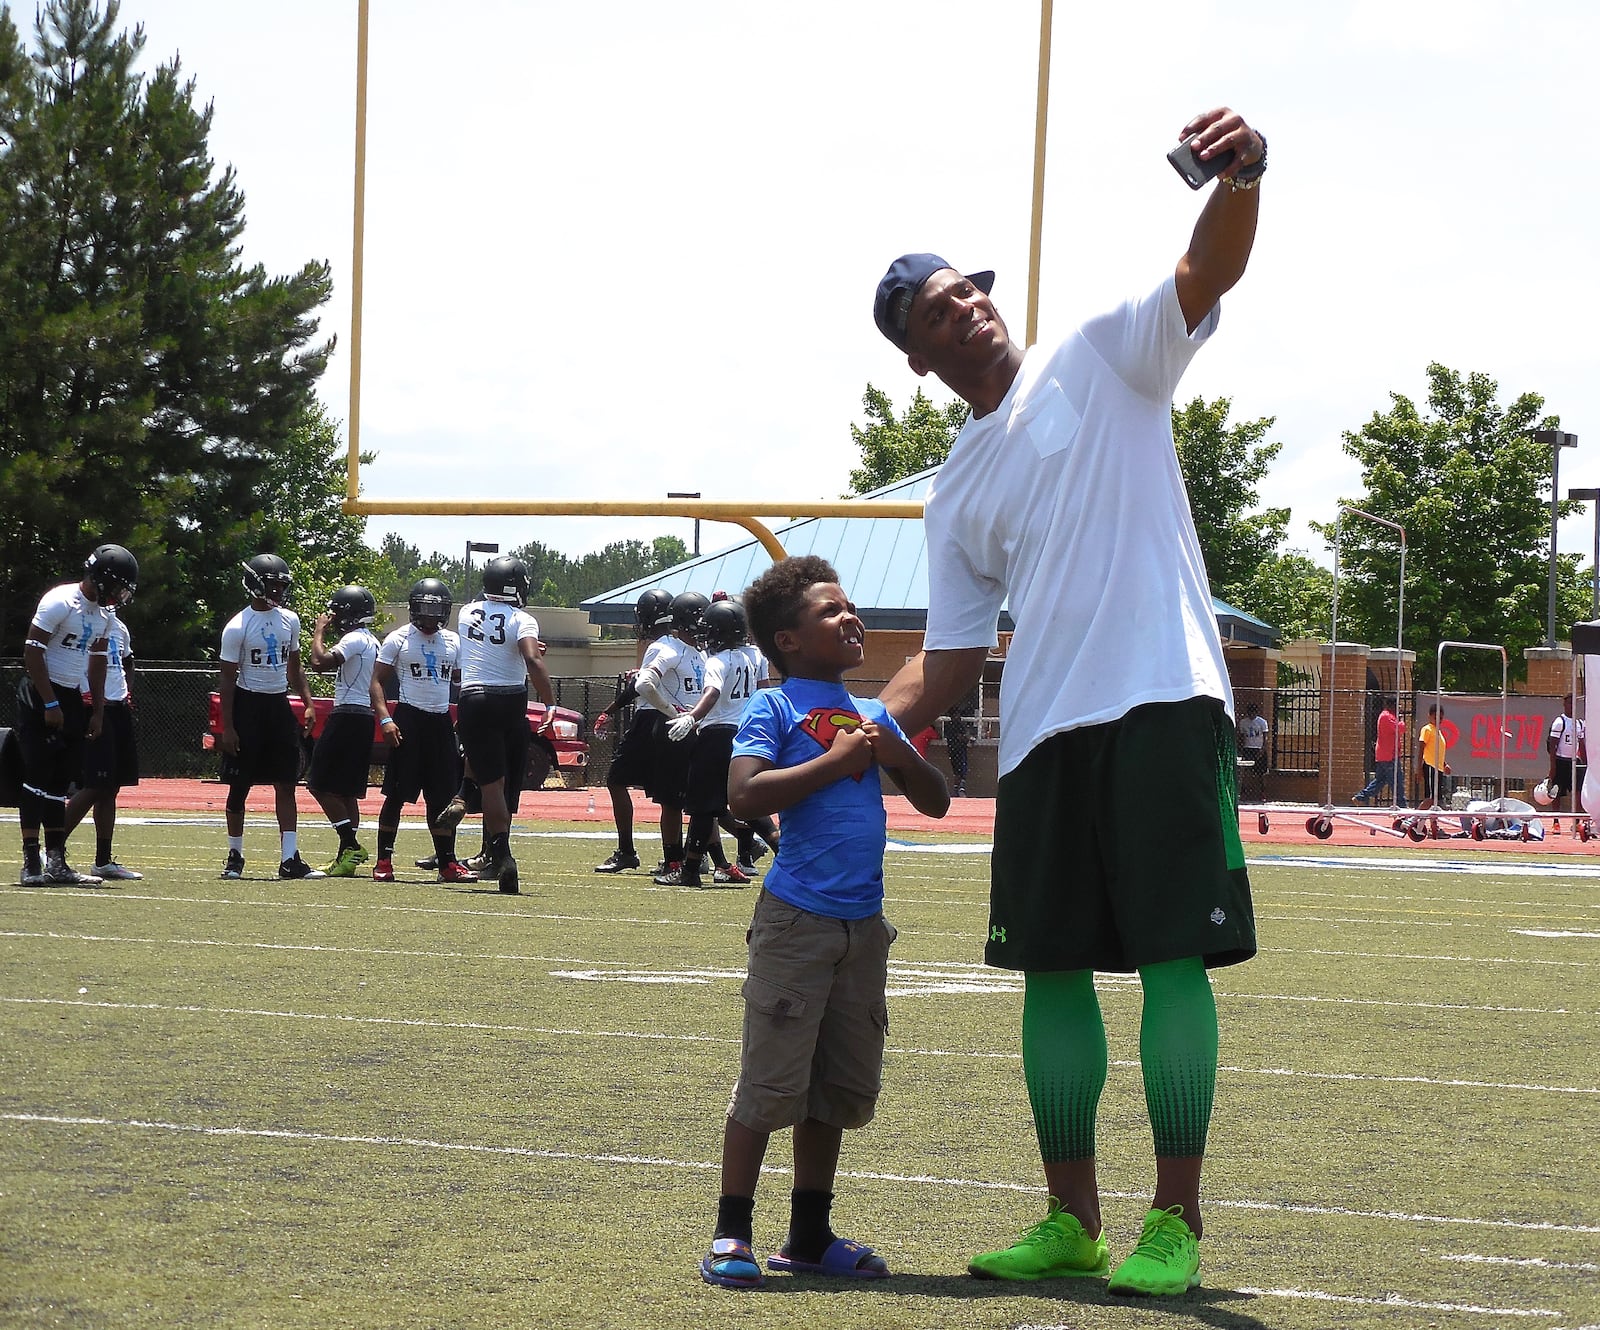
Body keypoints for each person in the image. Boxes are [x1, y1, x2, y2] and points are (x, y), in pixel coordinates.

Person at [871, 106, 1266, 1297]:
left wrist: (1243, 173)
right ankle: (1068, 1219)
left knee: (1166, 962)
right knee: (1049, 970)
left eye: (969, 290)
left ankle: (1174, 1222)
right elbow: (941, 663)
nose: (969, 307)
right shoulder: (951, 490)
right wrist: (853, 727)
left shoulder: (1100, 349)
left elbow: (1210, 265)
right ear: (915, 355)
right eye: (940, 309)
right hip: (1042, 730)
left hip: (1158, 696)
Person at [699, 555, 948, 1289]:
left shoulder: (872, 714)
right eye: (829, 612)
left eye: (851, 607)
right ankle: (732, 1231)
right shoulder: (772, 707)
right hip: (797, 919)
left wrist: (899, 753)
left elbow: (934, 802)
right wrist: (835, 763)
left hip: (861, 926)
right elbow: (745, 796)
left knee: (835, 1086)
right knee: (768, 1083)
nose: (850, 619)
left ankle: (809, 1234)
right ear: (788, 640)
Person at [16, 544, 138, 886]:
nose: (119, 594)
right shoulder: (60, 600)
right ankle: (30, 861)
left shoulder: (104, 616)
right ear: (100, 578)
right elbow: (32, 652)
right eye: (117, 586)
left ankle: (56, 860)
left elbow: (96, 664)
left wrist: (97, 710)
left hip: (71, 694)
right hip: (42, 691)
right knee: (37, 777)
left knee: (60, 781)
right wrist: (50, 702)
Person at [217, 553, 324, 881]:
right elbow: (227, 679)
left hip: (278, 704)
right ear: (254, 584)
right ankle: (235, 855)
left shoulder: (289, 619)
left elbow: (294, 665)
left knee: (286, 782)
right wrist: (229, 726)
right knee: (239, 786)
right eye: (272, 584)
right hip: (248, 706)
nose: (278, 591)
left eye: (281, 585)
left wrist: (307, 702)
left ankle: (289, 858)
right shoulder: (237, 626)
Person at [456, 554, 556, 895]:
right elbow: (530, 658)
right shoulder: (523, 618)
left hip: (474, 698)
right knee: (503, 783)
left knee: (490, 781)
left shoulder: (466, 612)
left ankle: (494, 845)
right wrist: (550, 701)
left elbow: (487, 646)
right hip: (512, 700)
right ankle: (498, 852)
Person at [369, 578, 476, 884]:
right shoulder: (398, 639)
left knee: (441, 798)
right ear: (413, 608)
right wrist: (386, 720)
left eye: (436, 610)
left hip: (440, 721)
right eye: (424, 610)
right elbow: (377, 680)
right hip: (409, 720)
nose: (430, 617)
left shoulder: (454, 641)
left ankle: (447, 863)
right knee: (397, 795)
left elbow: (462, 678)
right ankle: (384, 860)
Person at [656, 597, 765, 887]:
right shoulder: (754, 657)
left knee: (703, 805)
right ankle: (781, 848)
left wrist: (691, 717)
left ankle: (691, 870)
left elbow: (712, 694)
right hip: (746, 734)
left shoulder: (718, 660)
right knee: (741, 802)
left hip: (717, 734)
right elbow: (764, 693)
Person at [594, 590, 705, 875]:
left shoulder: (664, 646)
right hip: (690, 723)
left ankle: (633, 852)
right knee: (689, 793)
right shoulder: (696, 651)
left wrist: (671, 711)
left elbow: (642, 685)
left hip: (656, 720)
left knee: (632, 785)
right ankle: (704, 854)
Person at [305, 586, 382, 876]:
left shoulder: (353, 639)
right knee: (347, 792)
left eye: (337, 611)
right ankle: (345, 859)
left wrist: (319, 631)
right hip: (364, 716)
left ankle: (350, 845)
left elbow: (319, 662)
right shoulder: (372, 640)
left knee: (319, 784)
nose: (333, 616)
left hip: (348, 714)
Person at [63, 607, 142, 880]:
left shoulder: (119, 627)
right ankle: (50, 849)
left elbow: (128, 661)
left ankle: (103, 860)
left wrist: (128, 691)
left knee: (111, 787)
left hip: (117, 708)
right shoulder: (82, 624)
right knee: (95, 785)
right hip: (94, 707)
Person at [1352, 696, 1405, 807]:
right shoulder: (1386, 716)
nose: (1398, 708)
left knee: (1380, 781)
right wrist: (1401, 720)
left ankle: (1360, 797)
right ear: (1391, 705)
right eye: (1396, 706)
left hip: (1385, 755)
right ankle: (1402, 805)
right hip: (1389, 755)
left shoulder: (1388, 716)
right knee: (1397, 782)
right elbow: (1400, 729)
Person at [1545, 693, 1586, 813]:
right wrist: (1553, 767)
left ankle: (1578, 821)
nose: (1571, 706)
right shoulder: (1560, 722)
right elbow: (1553, 745)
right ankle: (1556, 822)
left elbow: (1581, 744)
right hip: (1561, 760)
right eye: (1569, 703)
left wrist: (1585, 762)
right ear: (1564, 704)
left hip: (1575, 762)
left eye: (1574, 703)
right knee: (1557, 792)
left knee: (1579, 791)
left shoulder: (1579, 723)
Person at [1413, 703, 1452, 828]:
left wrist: (1444, 764)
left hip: (1438, 768)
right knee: (1430, 798)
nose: (1438, 720)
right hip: (1430, 766)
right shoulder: (1427, 729)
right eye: (1435, 717)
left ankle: (1433, 826)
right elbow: (1421, 749)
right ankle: (1412, 820)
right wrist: (1418, 769)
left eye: (1440, 718)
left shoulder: (1439, 732)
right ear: (1429, 716)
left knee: (1435, 800)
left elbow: (1437, 752)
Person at [944, 684, 980, 798]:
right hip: (955, 748)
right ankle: (958, 788)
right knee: (958, 768)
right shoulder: (952, 725)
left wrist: (969, 738)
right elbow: (958, 737)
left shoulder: (958, 723)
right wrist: (967, 738)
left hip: (959, 748)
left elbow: (963, 736)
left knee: (961, 768)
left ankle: (960, 787)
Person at [1236, 700, 1269, 802]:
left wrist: (1262, 749)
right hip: (1248, 748)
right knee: (1244, 772)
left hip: (1258, 748)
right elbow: (1241, 737)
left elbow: (1265, 737)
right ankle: (1243, 792)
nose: (1251, 715)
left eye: (1253, 713)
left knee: (1261, 774)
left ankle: (1262, 793)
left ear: (1256, 712)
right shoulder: (1243, 722)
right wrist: (1241, 749)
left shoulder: (1262, 722)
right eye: (1249, 713)